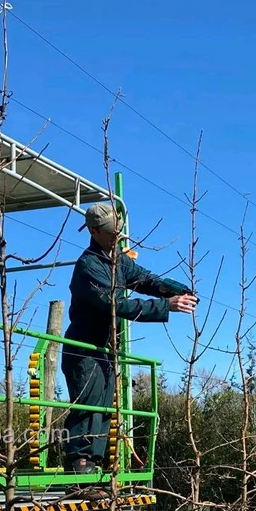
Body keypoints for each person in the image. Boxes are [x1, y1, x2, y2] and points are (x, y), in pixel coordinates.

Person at [62, 201, 197, 474]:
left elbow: (145, 279)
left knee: (102, 408)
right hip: (84, 348)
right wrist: (166, 306)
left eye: (118, 233)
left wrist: (178, 289)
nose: (116, 238)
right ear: (94, 231)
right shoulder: (89, 266)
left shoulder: (117, 259)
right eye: (111, 234)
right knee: (88, 405)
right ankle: (80, 465)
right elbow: (117, 305)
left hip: (105, 349)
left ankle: (94, 466)